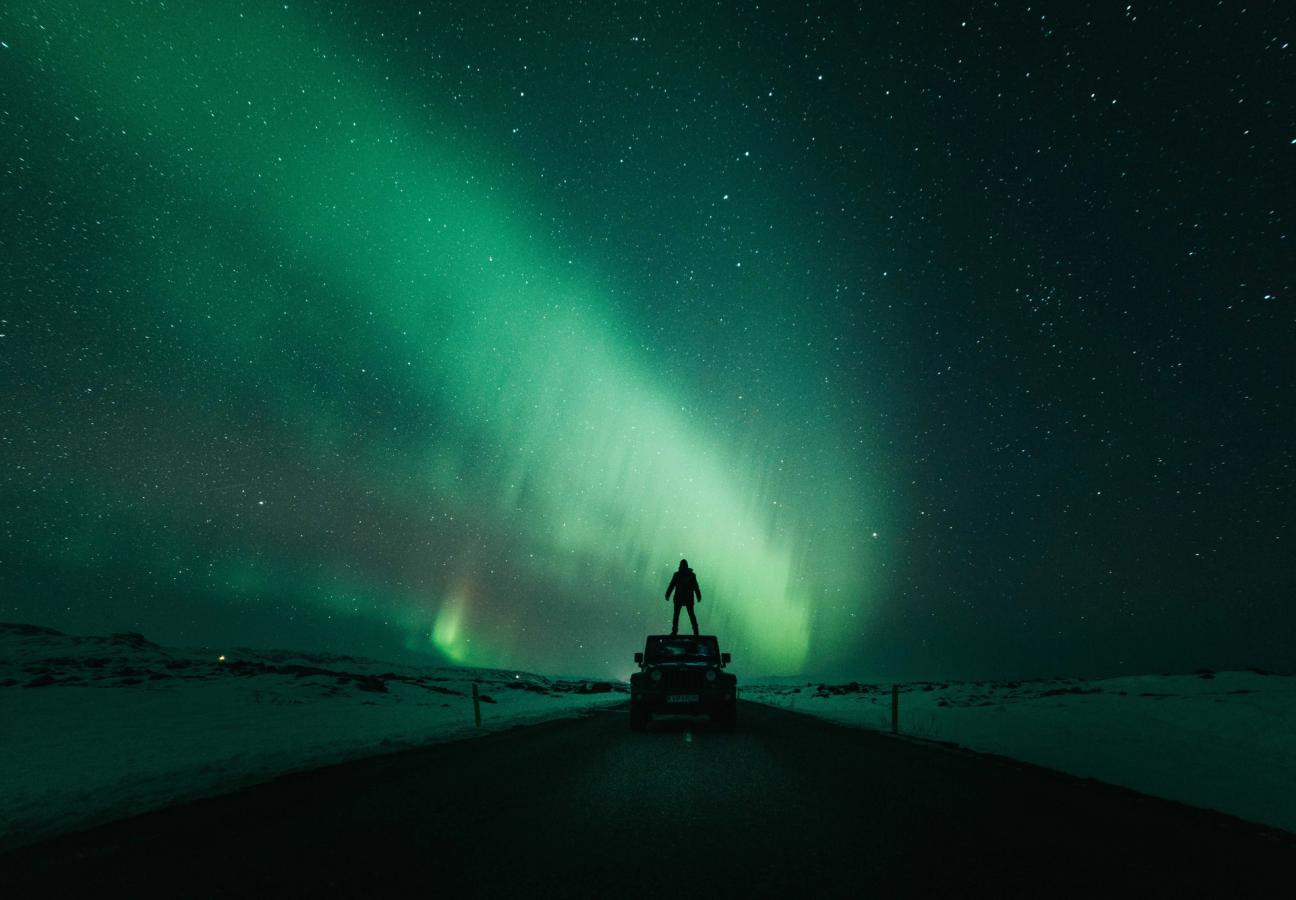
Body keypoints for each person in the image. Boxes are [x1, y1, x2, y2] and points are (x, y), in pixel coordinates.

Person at [665, 559, 701, 636]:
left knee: (678, 615)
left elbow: (671, 585)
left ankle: (675, 631)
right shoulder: (690, 575)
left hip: (680, 598)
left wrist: (668, 594)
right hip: (686, 598)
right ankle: (695, 631)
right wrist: (698, 596)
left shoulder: (678, 575)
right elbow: (696, 587)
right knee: (690, 615)